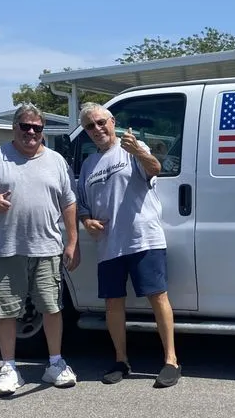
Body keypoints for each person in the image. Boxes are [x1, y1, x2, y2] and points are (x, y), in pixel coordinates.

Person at [0, 103, 81, 397]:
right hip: (4, 249)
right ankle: (8, 368)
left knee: (52, 308)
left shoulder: (56, 161)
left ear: (43, 131)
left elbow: (68, 202)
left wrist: (72, 241)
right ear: (14, 127)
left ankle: (55, 364)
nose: (31, 132)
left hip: (46, 248)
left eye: (37, 127)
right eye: (25, 126)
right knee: (5, 311)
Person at [76, 102, 180, 388]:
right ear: (85, 131)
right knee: (113, 303)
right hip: (110, 244)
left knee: (158, 297)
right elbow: (83, 205)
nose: (97, 129)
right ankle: (121, 360)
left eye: (101, 122)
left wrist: (138, 151)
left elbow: (155, 168)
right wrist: (86, 221)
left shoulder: (132, 148)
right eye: (89, 126)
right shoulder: (88, 165)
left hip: (143, 237)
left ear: (112, 122)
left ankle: (171, 361)